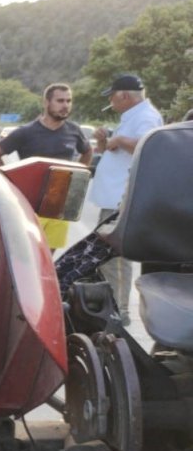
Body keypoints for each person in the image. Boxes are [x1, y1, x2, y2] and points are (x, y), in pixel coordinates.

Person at [83, 73, 164, 324]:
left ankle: (120, 311)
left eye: (112, 97)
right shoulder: (132, 116)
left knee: (114, 258)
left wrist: (118, 139)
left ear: (125, 96)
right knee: (106, 259)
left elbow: (148, 144)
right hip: (113, 199)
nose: (111, 102)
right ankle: (112, 307)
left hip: (121, 201)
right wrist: (105, 141)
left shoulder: (146, 116)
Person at [0, 83, 92, 168]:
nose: (65, 105)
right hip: (30, 194)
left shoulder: (74, 130)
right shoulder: (25, 132)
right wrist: (10, 181)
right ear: (46, 103)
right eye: (60, 101)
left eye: (69, 101)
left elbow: (88, 151)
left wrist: (77, 175)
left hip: (63, 193)